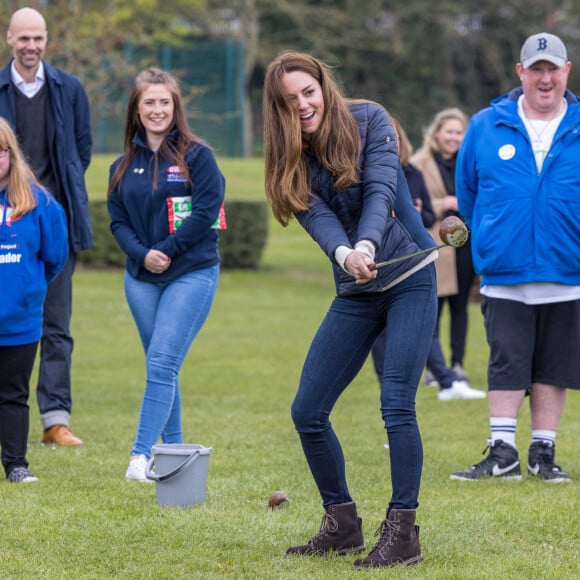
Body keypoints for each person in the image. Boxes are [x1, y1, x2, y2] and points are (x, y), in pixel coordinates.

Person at [263, 51, 438, 569]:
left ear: (323, 86)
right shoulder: (288, 156)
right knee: (307, 411)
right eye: (289, 101)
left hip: (408, 278)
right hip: (356, 290)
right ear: (279, 109)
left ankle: (404, 532)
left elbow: (381, 191)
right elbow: (317, 218)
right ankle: (342, 526)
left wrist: (365, 243)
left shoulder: (370, 119)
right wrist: (346, 254)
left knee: (396, 405)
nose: (303, 105)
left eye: (308, 92)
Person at [451, 32, 580, 482]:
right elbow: (467, 193)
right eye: (536, 69)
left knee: (554, 363)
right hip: (504, 272)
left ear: (567, 72)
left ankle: (542, 451)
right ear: (520, 73)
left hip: (568, 271)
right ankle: (502, 452)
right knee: (506, 358)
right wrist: (494, 234)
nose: (545, 79)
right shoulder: (486, 124)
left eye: (553, 69)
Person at [107, 68, 225, 482]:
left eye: (164, 102)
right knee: (163, 367)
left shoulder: (198, 157)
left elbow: (207, 213)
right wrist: (144, 255)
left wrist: (167, 251)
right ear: (136, 111)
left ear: (176, 108)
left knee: (161, 361)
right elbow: (118, 222)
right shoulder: (122, 166)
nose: (157, 110)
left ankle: (140, 457)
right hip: (140, 279)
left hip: (190, 273)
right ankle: (174, 457)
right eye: (148, 103)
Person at [0, 7, 93, 446]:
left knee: (56, 325)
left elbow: (81, 154)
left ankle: (55, 420)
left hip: (51, 229)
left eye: (38, 38)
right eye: (24, 39)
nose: (31, 46)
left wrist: (45, 205)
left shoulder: (70, 89)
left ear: (47, 40)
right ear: (9, 40)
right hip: (4, 227)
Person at [0, 118, 69, 483]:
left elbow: (55, 255)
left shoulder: (38, 201)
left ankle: (16, 465)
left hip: (18, 323)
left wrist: (28, 290)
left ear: (10, 154)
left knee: (13, 396)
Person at [411, 108, 484, 400]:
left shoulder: (471, 161)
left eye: (459, 132)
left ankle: (457, 364)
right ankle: (434, 367)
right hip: (435, 243)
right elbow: (414, 200)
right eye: (449, 131)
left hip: (464, 243)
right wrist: (444, 203)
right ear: (436, 133)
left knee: (460, 306)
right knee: (433, 306)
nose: (454, 137)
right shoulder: (419, 163)